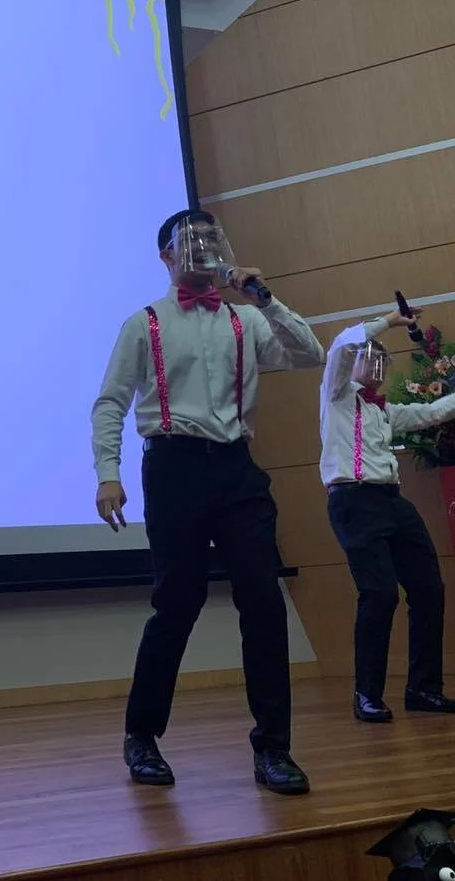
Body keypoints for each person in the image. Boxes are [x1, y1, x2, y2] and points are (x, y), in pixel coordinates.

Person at [91, 208, 325, 795]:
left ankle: (273, 748)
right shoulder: (143, 324)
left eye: (210, 241)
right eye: (189, 243)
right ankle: (141, 736)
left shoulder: (247, 318)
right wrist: (107, 473)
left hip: (237, 469)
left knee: (263, 601)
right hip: (173, 468)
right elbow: (111, 401)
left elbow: (310, 354)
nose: (202, 251)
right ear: (167, 257)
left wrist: (266, 297)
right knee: (177, 604)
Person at [320, 308, 455, 723]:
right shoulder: (336, 395)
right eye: (370, 359)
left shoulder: (385, 411)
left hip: (391, 500)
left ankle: (424, 689)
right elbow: (342, 345)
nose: (377, 368)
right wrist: (391, 321)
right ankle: (367, 694)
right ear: (355, 364)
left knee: (429, 589)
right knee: (379, 593)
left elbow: (433, 413)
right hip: (353, 500)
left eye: (383, 362)